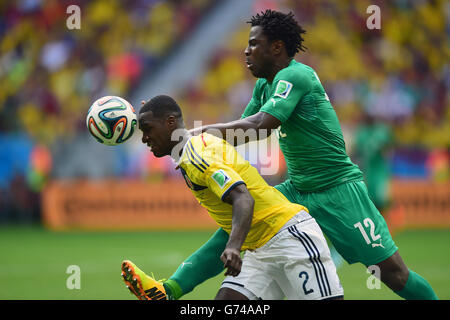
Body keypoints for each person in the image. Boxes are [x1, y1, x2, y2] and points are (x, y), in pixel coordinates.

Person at [140, 9, 438, 301]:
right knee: (232, 229)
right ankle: (170, 290)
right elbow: (244, 134)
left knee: (393, 274)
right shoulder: (264, 85)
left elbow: (262, 124)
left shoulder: (297, 75)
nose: (246, 51)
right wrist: (189, 147)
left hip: (338, 190)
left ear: (277, 47)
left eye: (254, 44)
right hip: (296, 189)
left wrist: (191, 134)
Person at [121, 95, 344, 300]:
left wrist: (234, 247)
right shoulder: (192, 150)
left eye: (148, 129)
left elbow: (243, 199)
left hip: (289, 237)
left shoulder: (197, 155)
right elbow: (223, 236)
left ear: (170, 122)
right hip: (259, 249)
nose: (145, 139)